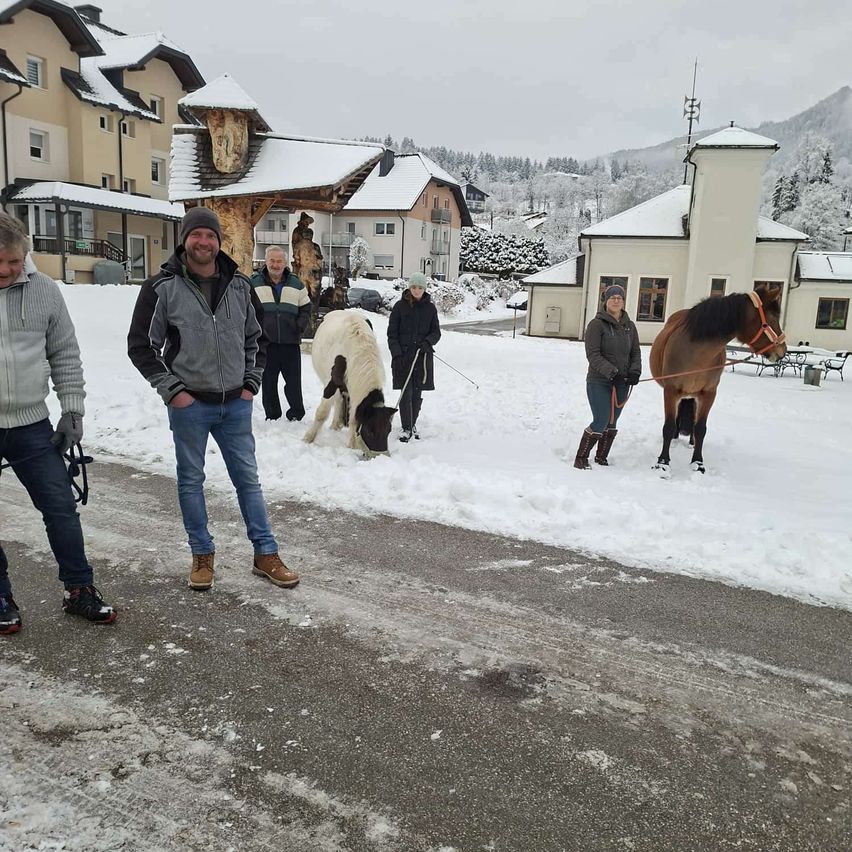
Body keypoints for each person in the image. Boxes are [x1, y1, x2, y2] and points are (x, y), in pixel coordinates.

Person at [127, 207, 299, 591]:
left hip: (235, 404)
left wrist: (251, 383)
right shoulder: (162, 287)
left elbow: (258, 339)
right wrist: (173, 391)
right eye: (196, 235)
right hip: (191, 406)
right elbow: (142, 347)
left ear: (218, 241)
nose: (203, 242)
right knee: (191, 480)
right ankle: (202, 554)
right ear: (185, 239)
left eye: (210, 235)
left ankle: (265, 552)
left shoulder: (239, 286)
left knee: (248, 481)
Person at [0, 212, 116, 634]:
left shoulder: (45, 292)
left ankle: (79, 589)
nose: (6, 270)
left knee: (61, 508)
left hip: (32, 423)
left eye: (13, 261)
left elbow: (65, 353)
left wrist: (72, 410)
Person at [574, 283, 641, 469]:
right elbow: (593, 355)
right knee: (601, 419)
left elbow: (635, 352)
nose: (616, 300)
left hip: (622, 383)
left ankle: (601, 457)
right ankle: (581, 458)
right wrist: (613, 372)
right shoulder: (596, 325)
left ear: (623, 301)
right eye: (612, 297)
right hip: (599, 381)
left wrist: (635, 371)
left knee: (612, 421)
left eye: (619, 298)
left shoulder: (630, 326)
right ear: (606, 301)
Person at [250, 246, 311, 421]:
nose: (275, 265)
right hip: (265, 343)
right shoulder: (254, 283)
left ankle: (296, 413)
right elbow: (245, 309)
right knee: (268, 382)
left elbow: (306, 307)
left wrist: (299, 326)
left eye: (279, 261)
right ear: (266, 261)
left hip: (290, 342)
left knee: (293, 382)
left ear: (285, 263)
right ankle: (273, 414)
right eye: (272, 261)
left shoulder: (296, 283)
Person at [387, 272, 441, 442]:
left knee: (417, 392)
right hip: (403, 357)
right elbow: (392, 334)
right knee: (406, 392)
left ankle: (413, 423)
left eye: (419, 287)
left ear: (424, 289)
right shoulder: (399, 307)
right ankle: (406, 427)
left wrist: (428, 342)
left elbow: (436, 332)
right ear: (409, 288)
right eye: (413, 287)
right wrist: (396, 354)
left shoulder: (430, 308)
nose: (416, 290)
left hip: (422, 357)